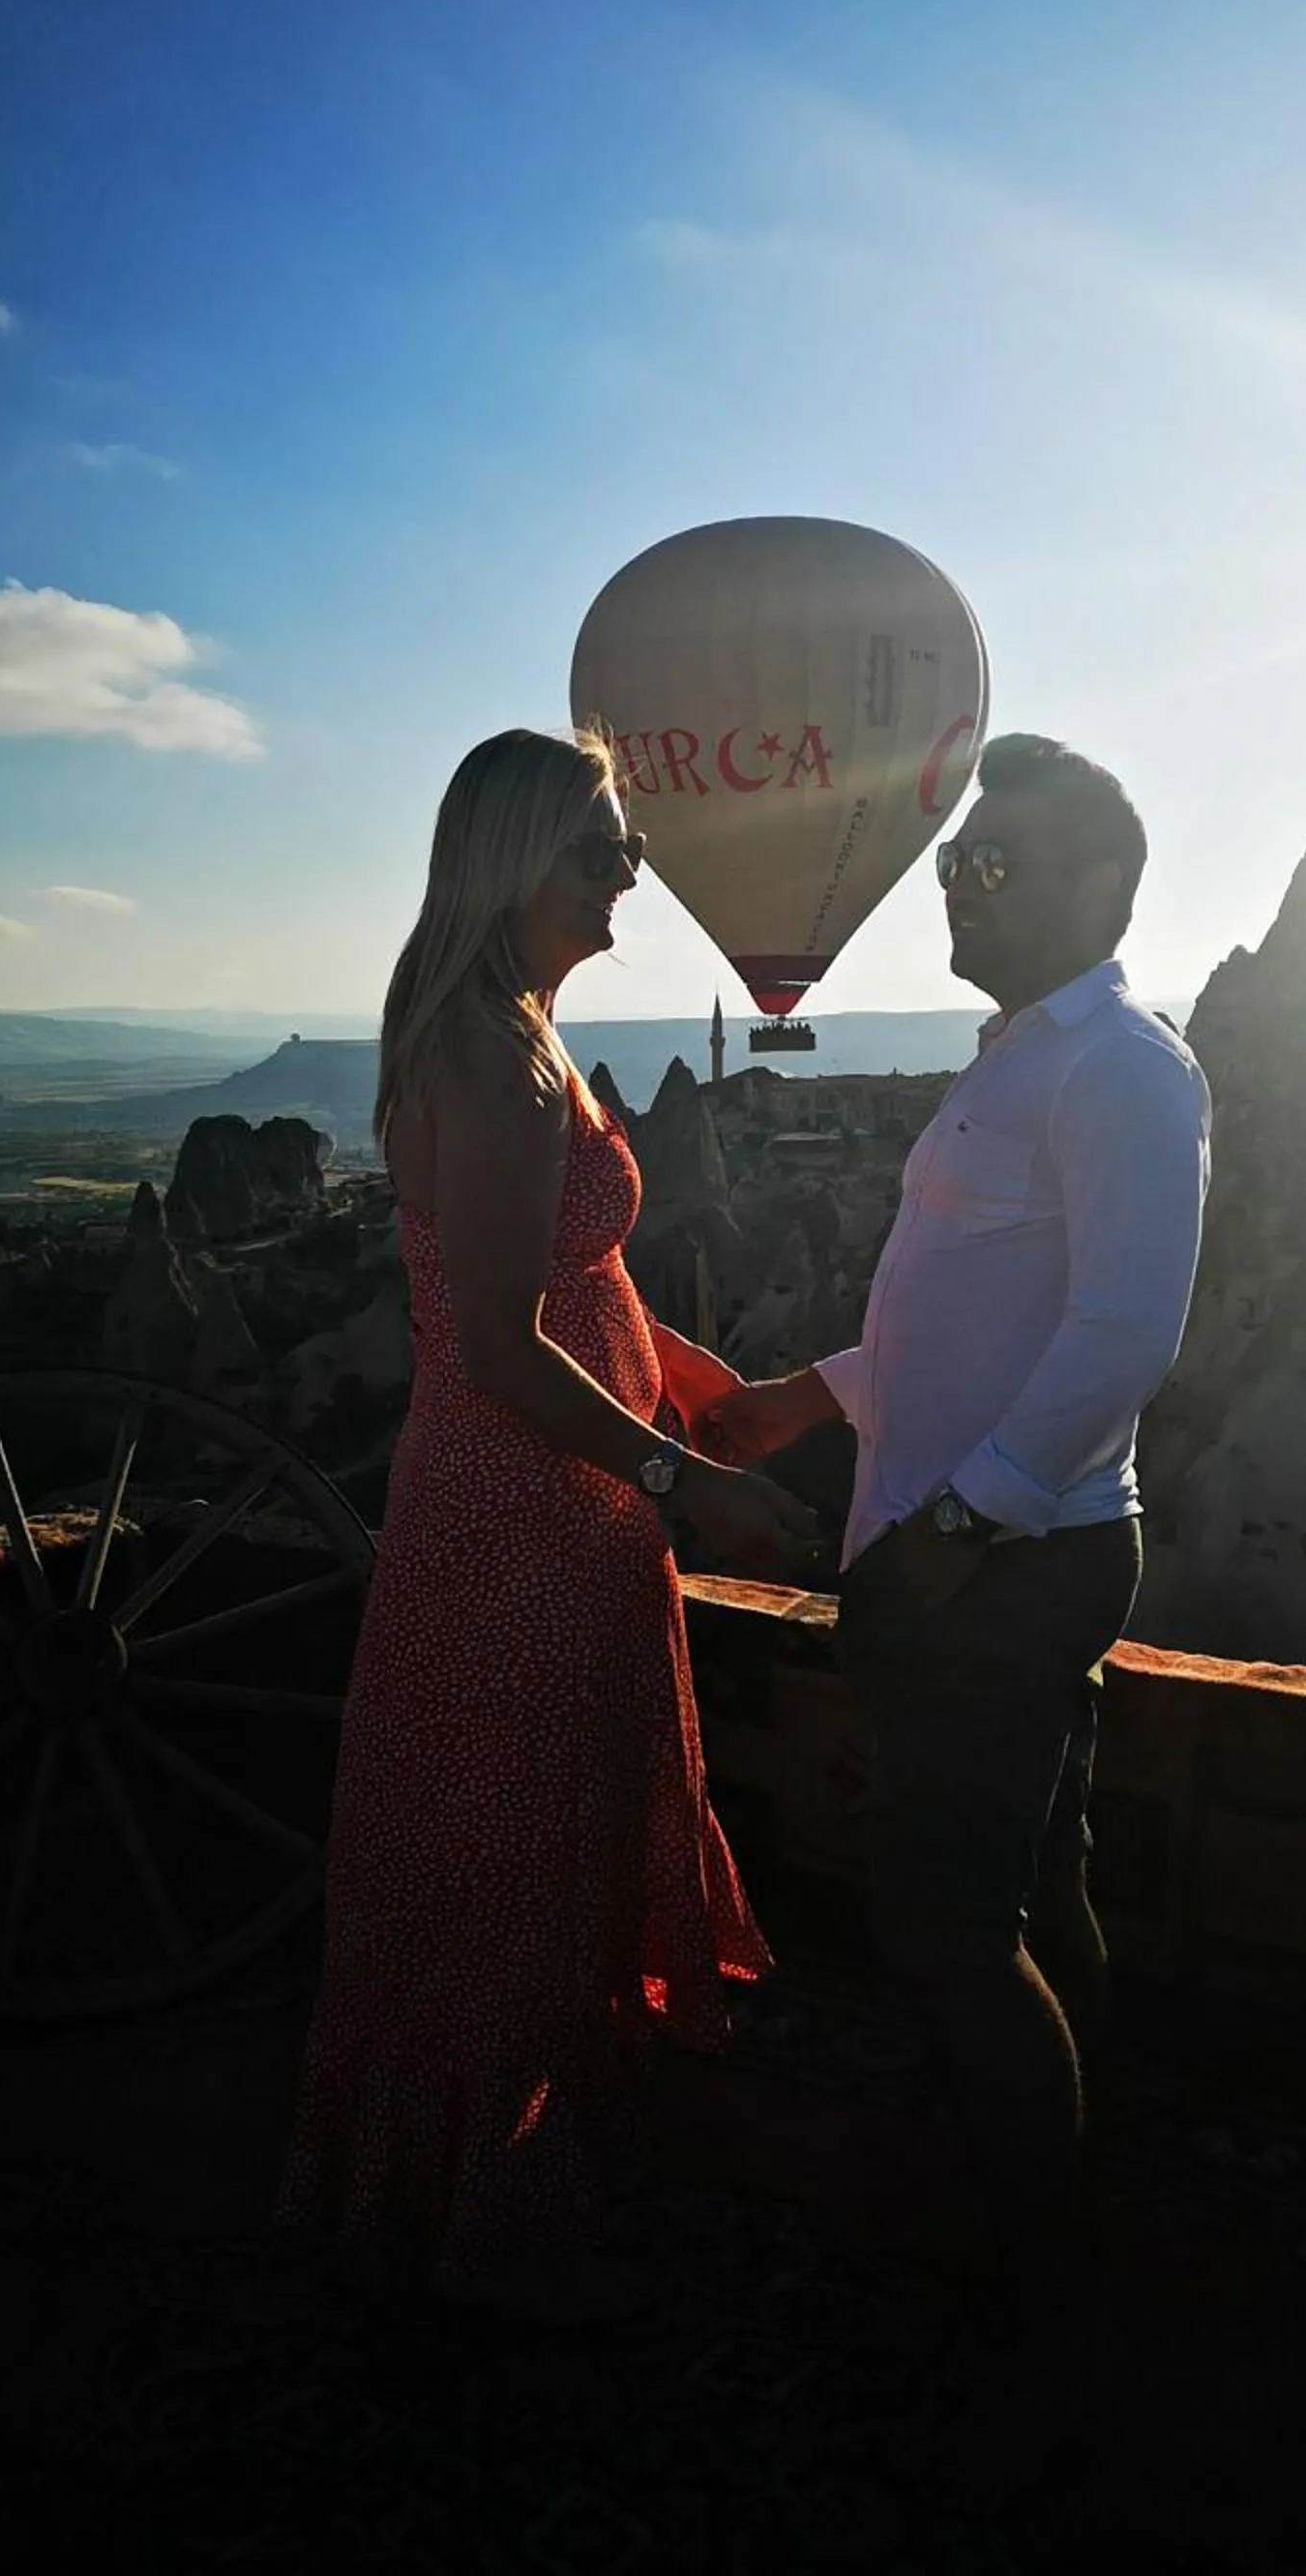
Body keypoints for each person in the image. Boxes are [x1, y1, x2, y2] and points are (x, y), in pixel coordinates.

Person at [707, 731, 1211, 2452]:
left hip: (997, 1565)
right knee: (1032, 1884)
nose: (953, 885)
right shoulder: (1017, 1058)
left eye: (990, 867)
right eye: (952, 863)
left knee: (942, 1922)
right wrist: (814, 1393)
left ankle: (1029, 2289)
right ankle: (1058, 2196)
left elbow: (1123, 1337)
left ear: (1095, 889)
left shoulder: (1124, 1070)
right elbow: (971, 1308)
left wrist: (957, 1527)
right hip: (980, 1549)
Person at [281, 726, 820, 2325]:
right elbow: (505, 1345)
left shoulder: (513, 1030)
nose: (629, 872)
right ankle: (471, 2218)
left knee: (527, 1835)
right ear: (515, 865)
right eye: (600, 849)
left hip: (547, 1496)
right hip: (522, 1509)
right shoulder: (487, 1060)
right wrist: (685, 1480)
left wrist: (709, 1386)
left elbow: (591, 1291)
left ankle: (492, 2178)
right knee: (502, 1853)